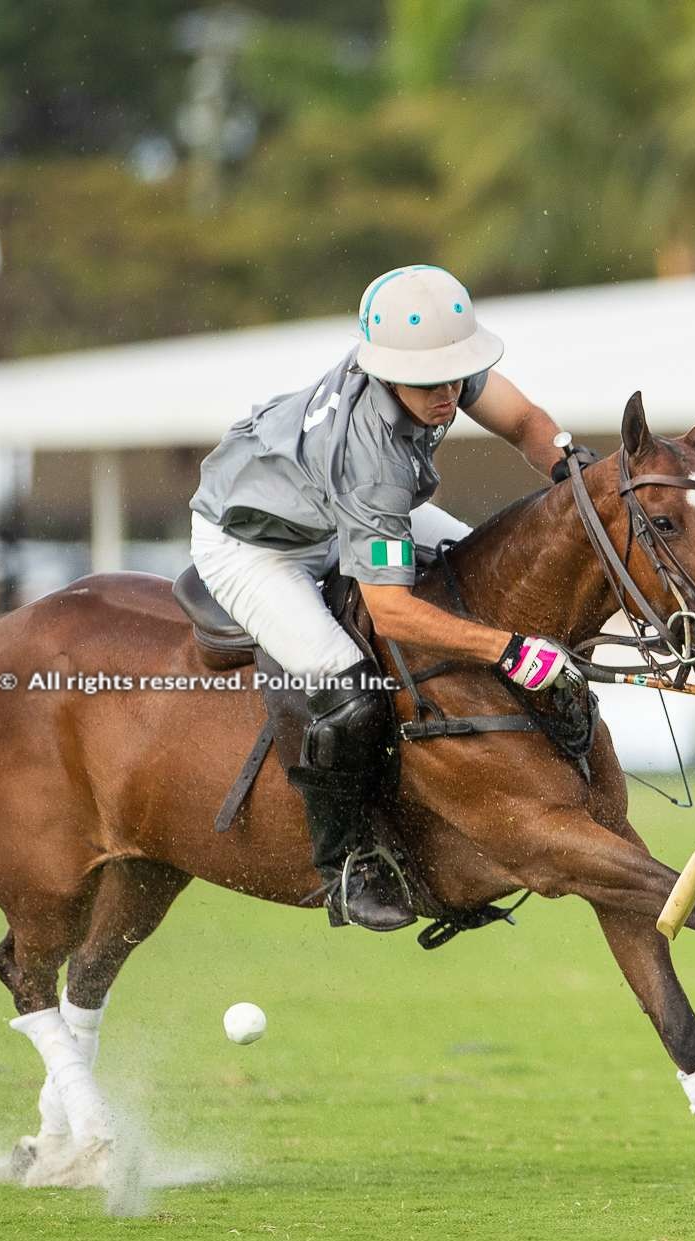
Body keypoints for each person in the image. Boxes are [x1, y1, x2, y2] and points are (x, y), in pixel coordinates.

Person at [189, 265, 587, 932]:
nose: (449, 393)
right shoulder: (371, 455)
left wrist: (573, 470)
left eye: (457, 375)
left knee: (494, 583)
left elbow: (523, 420)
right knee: (350, 691)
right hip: (256, 544)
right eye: (433, 384)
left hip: (335, 512)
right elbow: (392, 611)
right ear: (389, 370)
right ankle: (348, 861)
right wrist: (511, 651)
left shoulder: (435, 362)